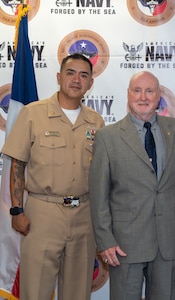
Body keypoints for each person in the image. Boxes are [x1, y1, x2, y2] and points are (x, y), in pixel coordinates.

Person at [2, 53, 104, 300]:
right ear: (59, 77)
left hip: (83, 216)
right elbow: (17, 164)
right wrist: (17, 211)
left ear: (90, 83)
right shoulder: (32, 114)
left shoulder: (96, 121)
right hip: (42, 215)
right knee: (35, 290)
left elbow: (101, 174)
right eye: (70, 73)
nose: (76, 80)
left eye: (83, 75)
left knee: (77, 292)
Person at [88, 70, 175, 300]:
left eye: (150, 91)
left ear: (159, 96)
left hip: (168, 244)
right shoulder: (108, 137)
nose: (143, 97)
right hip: (125, 244)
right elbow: (99, 195)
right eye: (137, 91)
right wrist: (105, 240)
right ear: (128, 95)